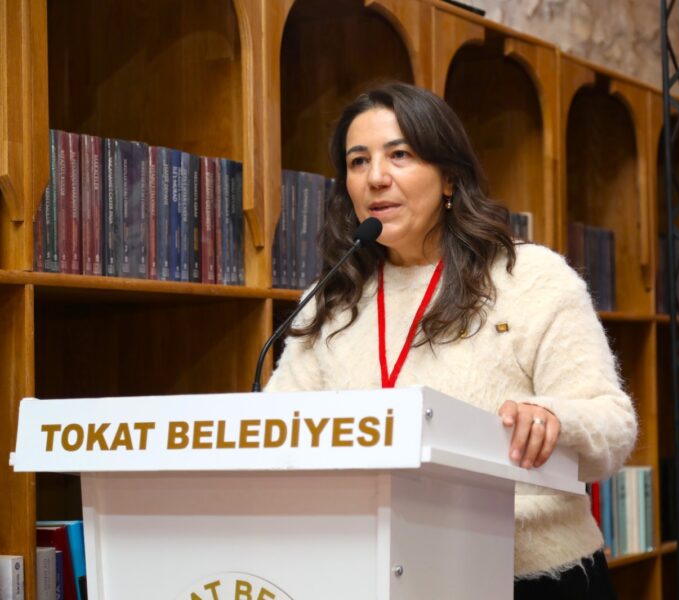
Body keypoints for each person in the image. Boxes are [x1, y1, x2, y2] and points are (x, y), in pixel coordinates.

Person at [265, 82, 637, 599]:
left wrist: (552, 419)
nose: (376, 177)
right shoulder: (332, 297)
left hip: (532, 578)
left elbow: (614, 427)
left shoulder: (531, 277)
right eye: (358, 161)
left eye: (400, 155)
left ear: (449, 177)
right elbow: (277, 430)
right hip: (379, 575)